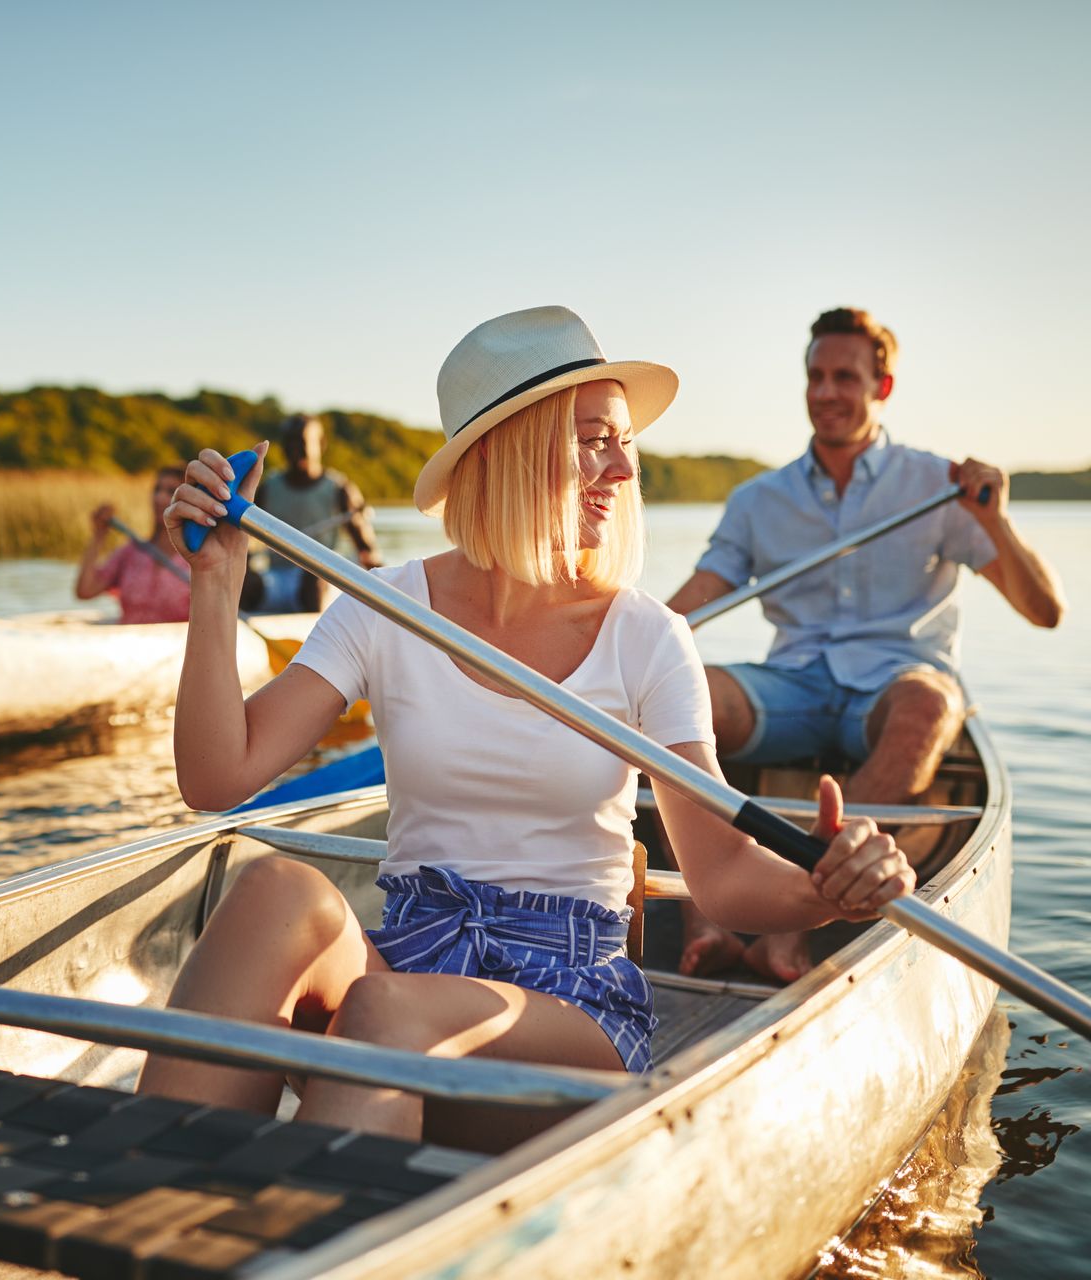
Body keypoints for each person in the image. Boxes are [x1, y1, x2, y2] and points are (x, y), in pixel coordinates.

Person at [136, 305, 916, 1152]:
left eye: (626, 443)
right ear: (513, 451)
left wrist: (826, 887)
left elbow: (722, 878)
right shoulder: (385, 606)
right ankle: (148, 1203)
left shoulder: (647, 636)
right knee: (273, 892)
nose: (625, 469)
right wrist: (214, 583)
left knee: (387, 1011)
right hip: (407, 964)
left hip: (569, 1015)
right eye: (595, 441)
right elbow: (216, 779)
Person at [665, 307, 1065, 982]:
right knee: (679, 689)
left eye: (844, 377)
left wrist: (993, 520)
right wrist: (618, 651)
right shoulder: (760, 499)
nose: (826, 392)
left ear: (881, 388)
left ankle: (788, 923)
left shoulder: (940, 488)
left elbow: (1044, 611)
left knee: (929, 708)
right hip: (792, 684)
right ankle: (704, 922)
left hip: (898, 685)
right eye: (816, 377)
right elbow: (696, 599)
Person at [251, 413, 383, 611]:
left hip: (323, 581)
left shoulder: (339, 489)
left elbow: (367, 549)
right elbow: (244, 542)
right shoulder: (268, 488)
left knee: (314, 576)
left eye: (301, 442)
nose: (295, 449)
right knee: (246, 581)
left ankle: (316, 635)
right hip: (276, 578)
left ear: (320, 445)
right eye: (290, 442)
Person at [73, 465, 192, 624]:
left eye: (171, 492)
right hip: (128, 643)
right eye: (157, 490)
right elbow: (85, 590)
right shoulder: (130, 553)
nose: (159, 498)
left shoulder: (197, 560)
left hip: (178, 647)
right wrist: (99, 535)